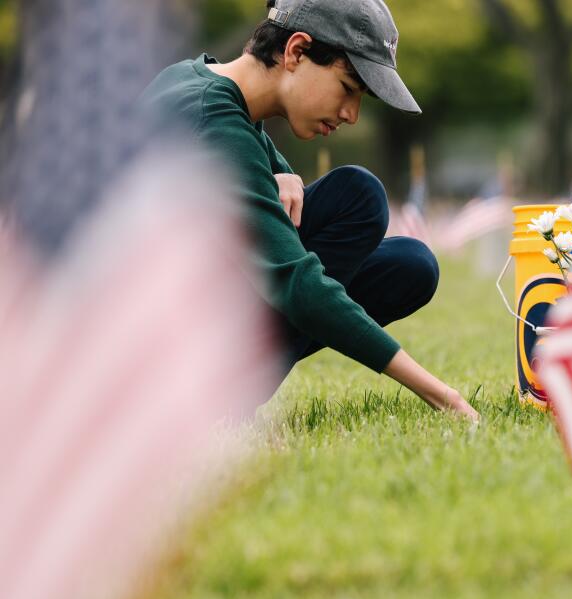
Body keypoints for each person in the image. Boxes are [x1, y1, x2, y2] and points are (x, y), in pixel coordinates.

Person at [139, 0, 479, 419]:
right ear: (296, 51)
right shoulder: (213, 118)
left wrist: (283, 173)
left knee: (411, 265)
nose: (351, 115)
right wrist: (441, 394)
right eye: (348, 88)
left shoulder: (207, 88)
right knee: (360, 197)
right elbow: (296, 282)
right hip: (155, 356)